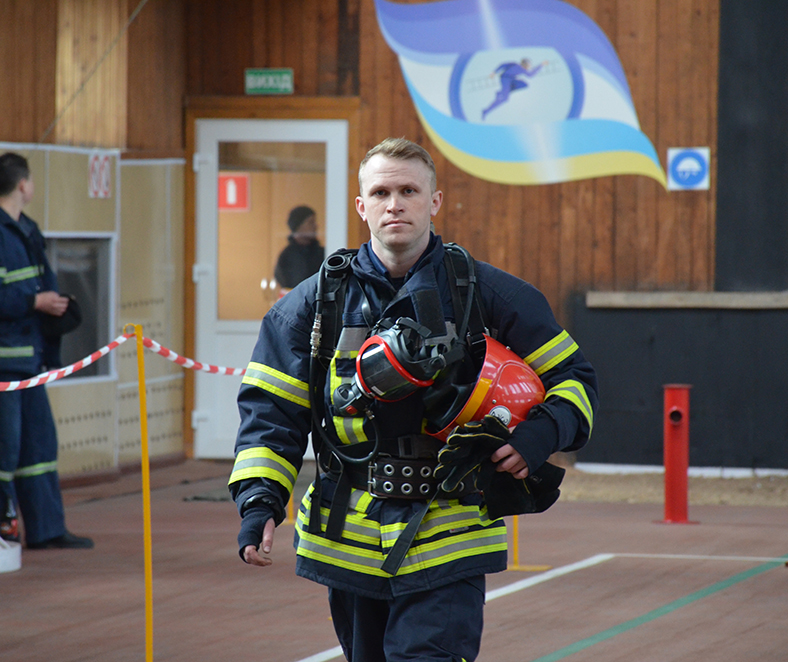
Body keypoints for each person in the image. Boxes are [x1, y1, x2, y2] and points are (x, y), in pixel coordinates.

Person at [229, 138, 597, 660]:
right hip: (349, 540)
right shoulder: (311, 305)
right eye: (380, 192)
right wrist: (259, 501)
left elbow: (575, 379)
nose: (394, 203)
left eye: (408, 190)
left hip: (451, 532)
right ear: (362, 206)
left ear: (435, 201)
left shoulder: (489, 294)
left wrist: (538, 435)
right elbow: (271, 413)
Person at [0, 152, 93, 550]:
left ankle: (47, 528)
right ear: (22, 185)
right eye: (31, 181)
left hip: (30, 359)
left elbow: (35, 287)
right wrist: (35, 302)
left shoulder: (26, 230)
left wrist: (56, 306)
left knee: (39, 445)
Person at [273, 205, 325, 292]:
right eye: (310, 222)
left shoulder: (322, 253)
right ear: (298, 226)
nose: (316, 226)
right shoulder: (286, 256)